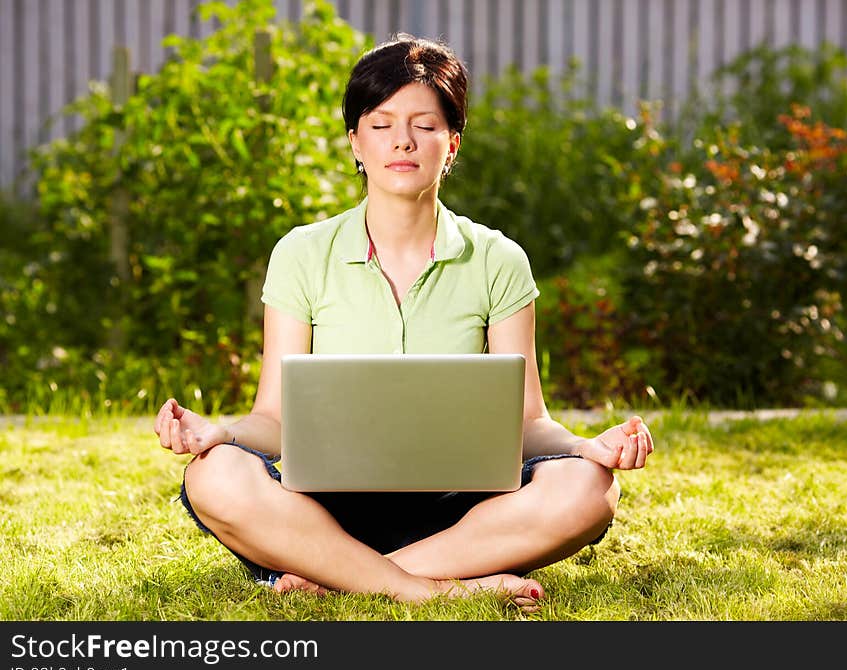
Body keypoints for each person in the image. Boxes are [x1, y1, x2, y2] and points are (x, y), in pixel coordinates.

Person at [155, 34, 653, 613]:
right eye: (382, 122)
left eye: (425, 124)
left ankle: (342, 573)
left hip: (466, 512)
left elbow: (527, 423)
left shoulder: (498, 259)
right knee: (212, 476)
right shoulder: (301, 254)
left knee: (590, 491)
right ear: (355, 142)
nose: (403, 141)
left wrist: (586, 447)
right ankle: (428, 588)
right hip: (326, 507)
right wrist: (222, 434)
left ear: (452, 144)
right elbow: (274, 420)